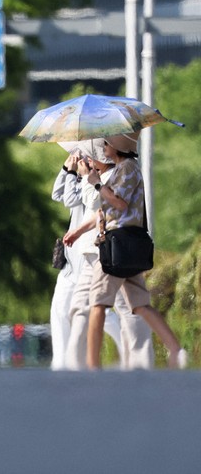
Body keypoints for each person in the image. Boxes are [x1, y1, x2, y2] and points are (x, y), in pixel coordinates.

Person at [64, 132, 186, 369]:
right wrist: (79, 231)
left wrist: (95, 182)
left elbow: (118, 203)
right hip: (125, 245)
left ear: (118, 147)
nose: (104, 148)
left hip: (117, 246)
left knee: (97, 304)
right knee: (140, 304)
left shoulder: (128, 168)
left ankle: (92, 366)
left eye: (107, 144)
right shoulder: (122, 169)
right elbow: (105, 209)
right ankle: (175, 349)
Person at [62, 140, 153, 370]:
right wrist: (77, 230)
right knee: (81, 305)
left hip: (113, 250)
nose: (89, 159)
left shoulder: (118, 172)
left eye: (93, 154)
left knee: (126, 306)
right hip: (94, 251)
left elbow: (98, 203)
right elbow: (88, 207)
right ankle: (76, 364)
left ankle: (140, 363)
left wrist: (90, 181)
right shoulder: (106, 175)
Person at [50, 147, 125, 370]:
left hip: (88, 255)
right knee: (62, 309)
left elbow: (72, 199)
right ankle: (62, 363)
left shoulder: (98, 182)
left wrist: (80, 175)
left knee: (93, 307)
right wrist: (66, 168)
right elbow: (57, 194)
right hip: (72, 258)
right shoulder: (87, 179)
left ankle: (128, 344)